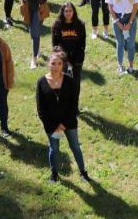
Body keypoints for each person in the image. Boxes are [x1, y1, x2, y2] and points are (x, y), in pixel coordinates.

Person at [36, 50, 90, 183]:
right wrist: (54, 125)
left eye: (59, 63)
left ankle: (83, 173)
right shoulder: (41, 82)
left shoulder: (69, 81)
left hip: (69, 121)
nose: (56, 66)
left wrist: (64, 123)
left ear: (63, 65)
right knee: (54, 149)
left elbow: (73, 104)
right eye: (53, 63)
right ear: (48, 63)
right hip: (51, 124)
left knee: (75, 147)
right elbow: (41, 108)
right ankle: (54, 174)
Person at [106, 0, 138, 75]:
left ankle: (131, 66)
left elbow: (135, 6)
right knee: (120, 43)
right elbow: (110, 6)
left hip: (130, 17)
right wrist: (117, 22)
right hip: (117, 18)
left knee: (131, 43)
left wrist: (130, 22)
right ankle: (120, 65)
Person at [17, 0, 48, 69]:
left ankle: (33, 59)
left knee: (35, 33)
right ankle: (37, 49)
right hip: (27, 8)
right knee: (33, 32)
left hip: (39, 8)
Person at [51, 3, 86, 82]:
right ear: (62, 12)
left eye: (70, 11)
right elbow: (55, 45)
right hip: (62, 59)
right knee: (64, 83)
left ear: (74, 12)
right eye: (66, 11)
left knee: (75, 84)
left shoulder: (80, 25)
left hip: (76, 58)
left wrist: (80, 59)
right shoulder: (57, 25)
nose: (68, 13)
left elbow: (82, 43)